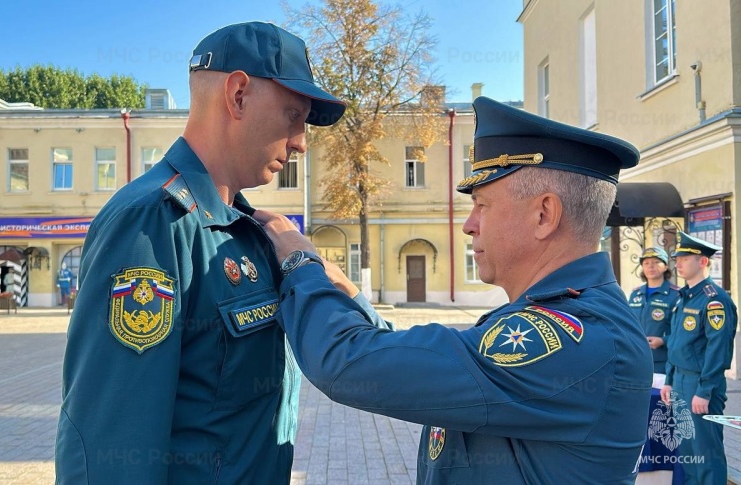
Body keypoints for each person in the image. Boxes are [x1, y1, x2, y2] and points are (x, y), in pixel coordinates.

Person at [253, 96, 653, 483]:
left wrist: (299, 261)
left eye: (483, 205)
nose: (469, 225)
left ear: (544, 215)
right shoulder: (559, 318)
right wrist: (351, 296)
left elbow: (346, 363)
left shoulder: (575, 338)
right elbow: (440, 365)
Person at [55, 22, 351, 484]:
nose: (300, 143)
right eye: (294, 116)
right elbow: (112, 437)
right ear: (237, 95)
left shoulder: (246, 229)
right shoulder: (153, 223)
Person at [661, 231, 738, 484]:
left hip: (700, 384)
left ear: (703, 261)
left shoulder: (715, 300)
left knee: (705, 453)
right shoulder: (683, 298)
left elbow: (719, 349)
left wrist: (705, 391)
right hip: (681, 381)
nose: (678, 263)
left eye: (685, 258)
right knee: (688, 453)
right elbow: (676, 342)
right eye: (677, 258)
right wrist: (670, 380)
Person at [628, 247, 679, 376]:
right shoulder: (635, 294)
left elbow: (682, 331)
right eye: (646, 263)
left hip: (664, 363)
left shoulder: (676, 294)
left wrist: (664, 341)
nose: (651, 267)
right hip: (637, 361)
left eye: (656, 262)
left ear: (666, 266)